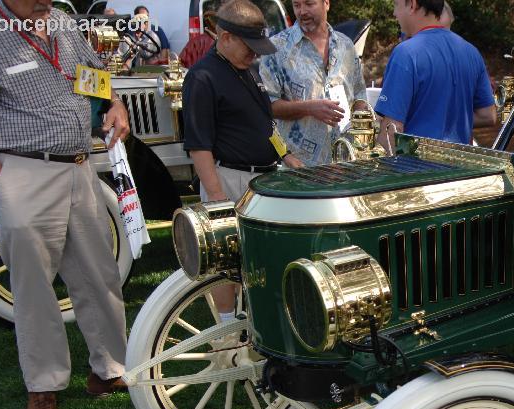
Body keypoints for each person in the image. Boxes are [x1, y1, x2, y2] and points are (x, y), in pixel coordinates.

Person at [0, 0, 132, 409]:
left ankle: (110, 370)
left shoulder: (60, 21)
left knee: (100, 274)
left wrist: (115, 103)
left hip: (79, 168)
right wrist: (2, 187)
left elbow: (92, 79)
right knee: (33, 288)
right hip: (22, 171)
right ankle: (43, 386)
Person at [183, 0, 300, 319]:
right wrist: (216, 197)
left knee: (257, 256)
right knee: (226, 258)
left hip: (262, 180)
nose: (256, 53)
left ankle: (253, 317)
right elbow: (198, 144)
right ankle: (225, 325)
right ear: (225, 37)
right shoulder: (202, 77)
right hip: (227, 178)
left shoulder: (250, 70)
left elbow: (265, 123)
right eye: (249, 46)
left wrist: (286, 156)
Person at [375, 0, 497, 151]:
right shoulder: (471, 51)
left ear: (412, 5)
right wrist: (446, 120)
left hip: (416, 170)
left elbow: (391, 131)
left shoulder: (406, 53)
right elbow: (488, 115)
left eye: (396, 5)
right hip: (461, 168)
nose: (394, 13)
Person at [258, 0, 368, 166]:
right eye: (297, 5)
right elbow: (267, 107)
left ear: (326, 3)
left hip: (346, 164)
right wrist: (309, 108)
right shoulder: (276, 48)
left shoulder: (346, 45)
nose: (302, 12)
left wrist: (361, 142)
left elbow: (360, 95)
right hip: (299, 168)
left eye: (309, 4)